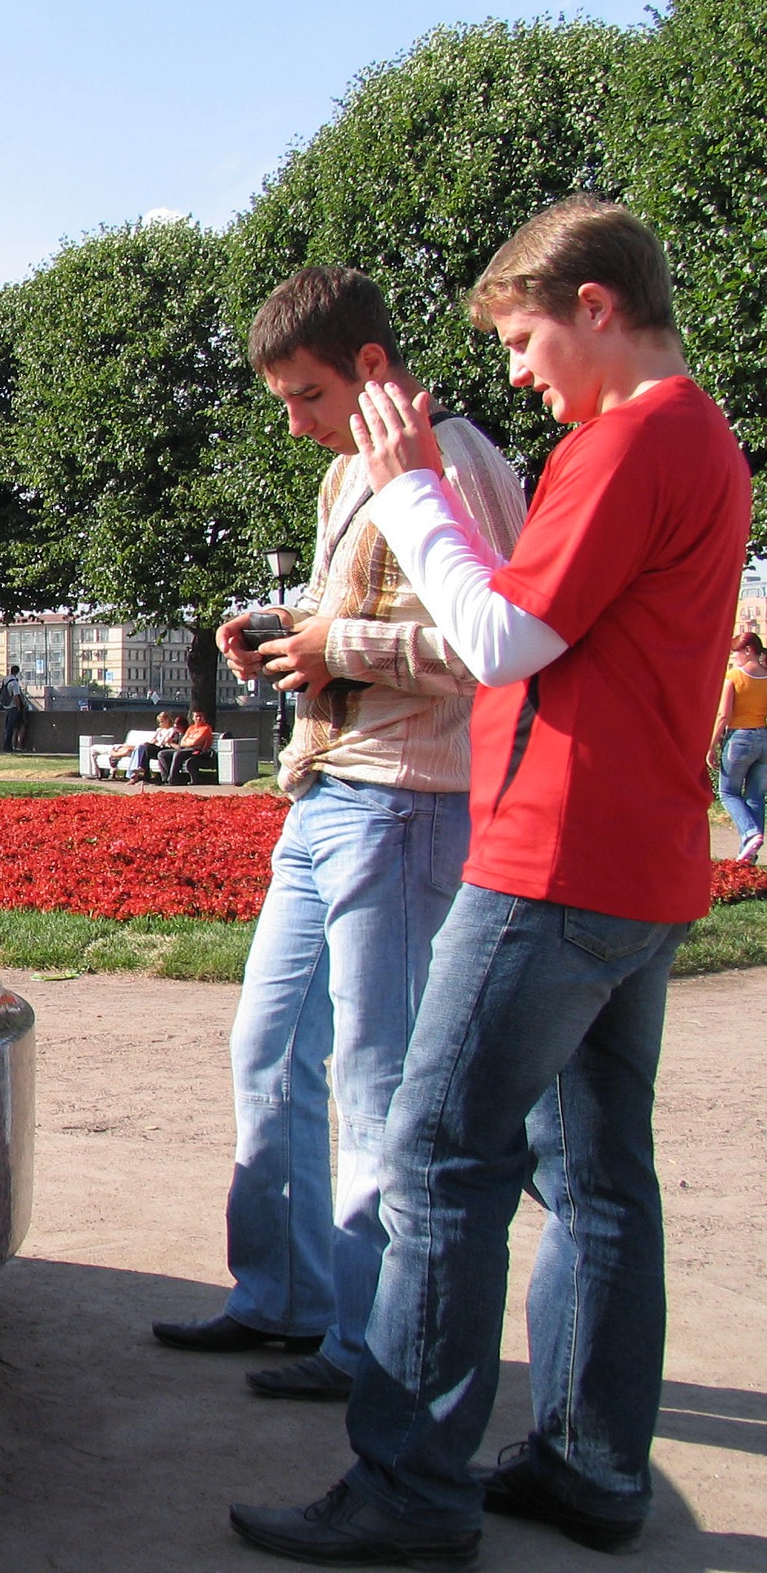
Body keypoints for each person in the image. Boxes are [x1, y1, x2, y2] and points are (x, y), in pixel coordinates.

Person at [231, 198, 751, 1573]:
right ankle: (590, 1460)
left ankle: (410, 1480)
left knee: (438, 1159)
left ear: (593, 304)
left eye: (524, 336)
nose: (516, 370)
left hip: (553, 856)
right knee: (596, 1179)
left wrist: (408, 487)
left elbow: (503, 636)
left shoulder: (633, 437)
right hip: (639, 857)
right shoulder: (694, 437)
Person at [151, 267, 529, 1407]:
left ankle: (367, 1338)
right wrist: (279, 639)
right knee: (265, 1048)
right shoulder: (341, 480)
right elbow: (342, 621)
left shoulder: (456, 464)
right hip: (328, 794)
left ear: (371, 368)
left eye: (305, 395)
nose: (294, 420)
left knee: (374, 1079)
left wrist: (335, 649)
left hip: (410, 800)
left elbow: (492, 645)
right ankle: (284, 1297)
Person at [713, 630, 767, 864]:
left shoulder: (733, 676)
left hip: (739, 739)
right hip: (763, 738)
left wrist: (711, 745)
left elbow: (724, 715)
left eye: (736, 652)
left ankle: (749, 832)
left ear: (748, 650)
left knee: (728, 793)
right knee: (756, 795)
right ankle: (750, 853)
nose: (734, 657)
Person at [157, 711, 220, 784]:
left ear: (204, 718)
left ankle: (172, 780)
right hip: (186, 749)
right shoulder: (191, 728)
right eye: (196, 716)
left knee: (178, 754)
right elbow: (182, 742)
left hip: (197, 751)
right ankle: (165, 779)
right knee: (162, 754)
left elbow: (195, 743)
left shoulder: (206, 728)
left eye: (200, 716)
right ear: (193, 718)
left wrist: (189, 742)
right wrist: (191, 742)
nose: (198, 718)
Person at [0, 666, 29, 750]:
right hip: (13, 707)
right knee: (13, 727)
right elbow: (16, 696)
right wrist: (19, 707)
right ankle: (9, 746)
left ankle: (8, 745)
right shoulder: (14, 683)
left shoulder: (6, 680)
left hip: (6, 706)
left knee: (7, 727)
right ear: (17, 672)